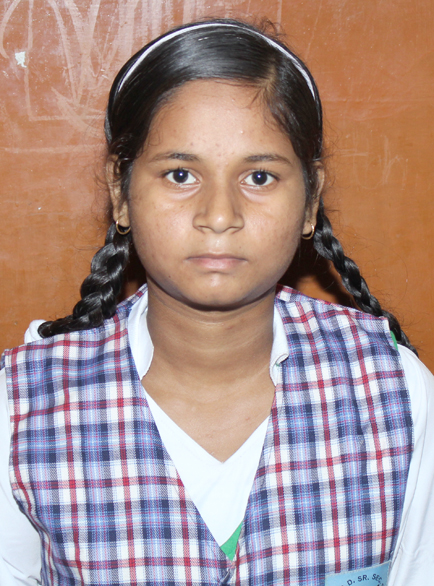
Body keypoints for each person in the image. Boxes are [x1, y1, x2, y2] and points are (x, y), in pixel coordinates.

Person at [0, 18, 433, 586]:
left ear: (311, 200)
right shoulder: (23, 412)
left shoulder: (393, 390)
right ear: (120, 192)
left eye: (260, 177)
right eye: (180, 174)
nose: (220, 215)